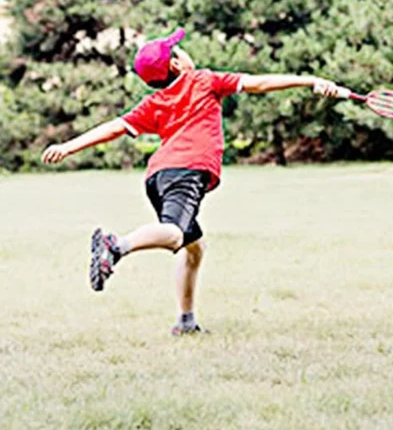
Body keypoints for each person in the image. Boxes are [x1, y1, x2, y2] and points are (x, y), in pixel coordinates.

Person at [41, 27, 342, 336]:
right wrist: (310, 81)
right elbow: (259, 82)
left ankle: (186, 322)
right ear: (175, 64)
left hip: (158, 176)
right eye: (178, 50)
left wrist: (67, 147)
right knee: (174, 235)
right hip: (187, 171)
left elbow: (114, 127)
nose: (184, 51)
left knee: (193, 247)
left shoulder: (155, 101)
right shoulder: (204, 80)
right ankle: (115, 246)